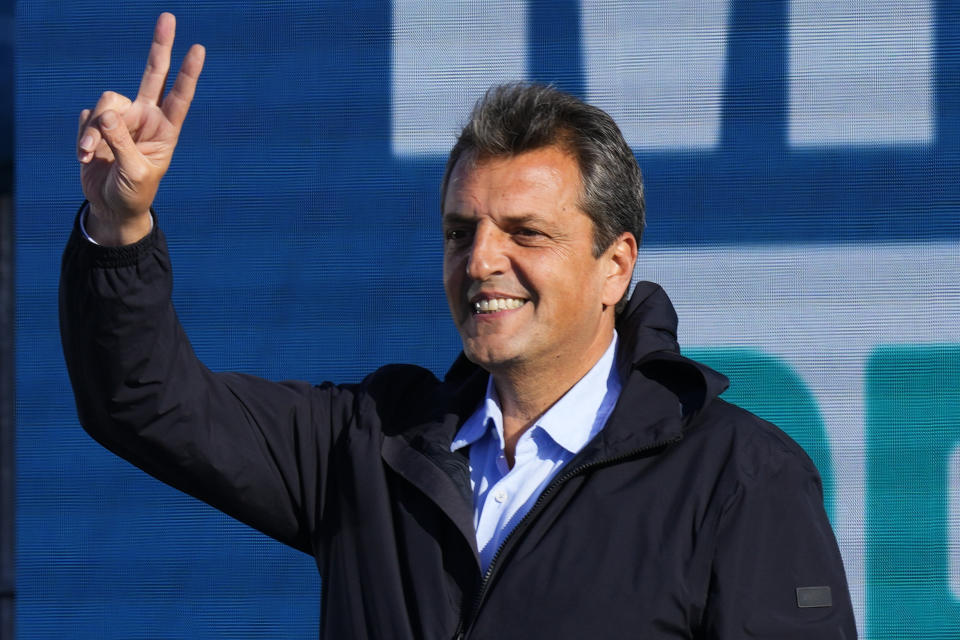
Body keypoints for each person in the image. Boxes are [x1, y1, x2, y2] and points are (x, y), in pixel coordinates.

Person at [61, 12, 857, 639]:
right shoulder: (369, 446)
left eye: (526, 232)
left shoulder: (740, 478)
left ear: (615, 265)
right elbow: (147, 400)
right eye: (458, 231)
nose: (480, 261)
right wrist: (120, 228)